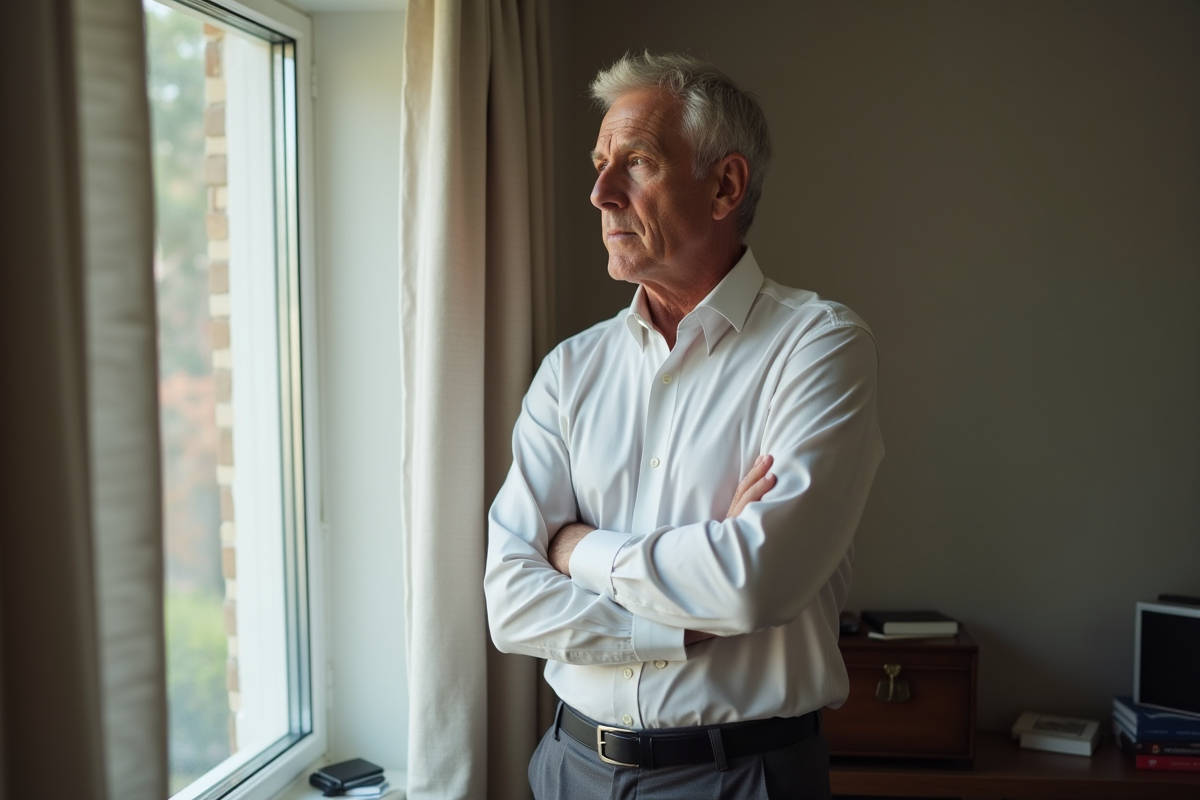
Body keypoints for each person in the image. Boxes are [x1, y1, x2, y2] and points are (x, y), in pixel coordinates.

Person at [485, 51, 884, 800]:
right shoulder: (569, 373)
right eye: (600, 164)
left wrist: (575, 549)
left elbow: (752, 585)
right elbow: (510, 603)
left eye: (635, 163)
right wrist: (681, 625)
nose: (600, 193)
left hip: (744, 777)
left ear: (725, 185)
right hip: (569, 768)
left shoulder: (821, 346)